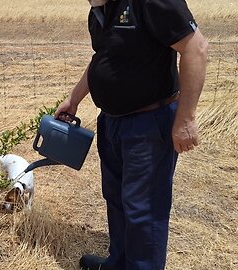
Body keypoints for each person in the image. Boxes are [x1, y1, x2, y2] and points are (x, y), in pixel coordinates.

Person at [54, 0, 208, 269]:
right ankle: (120, 262)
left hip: (148, 123)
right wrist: (74, 98)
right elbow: (103, 57)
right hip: (112, 122)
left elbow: (196, 48)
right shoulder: (99, 11)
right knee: (116, 200)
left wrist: (185, 119)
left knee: (143, 210)